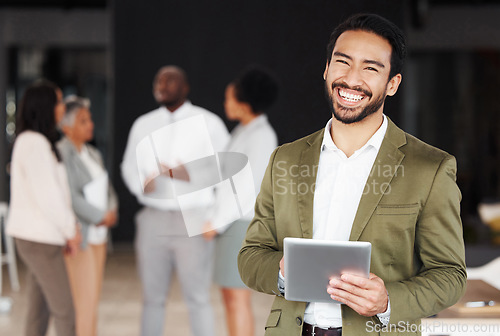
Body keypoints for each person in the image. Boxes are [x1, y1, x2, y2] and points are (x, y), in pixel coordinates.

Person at [238, 13, 466, 336]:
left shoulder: (430, 169)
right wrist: (281, 271)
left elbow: (450, 275)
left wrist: (387, 300)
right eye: (342, 62)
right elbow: (250, 256)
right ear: (327, 69)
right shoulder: (284, 159)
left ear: (393, 84)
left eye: (370, 68)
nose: (351, 79)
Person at [121, 65, 229, 336]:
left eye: (169, 81)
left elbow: (226, 170)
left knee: (198, 298)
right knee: (152, 298)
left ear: (185, 87)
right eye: (158, 81)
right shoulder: (143, 124)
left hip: (193, 216)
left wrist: (214, 217)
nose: (161, 85)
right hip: (153, 217)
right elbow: (128, 167)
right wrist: (143, 185)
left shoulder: (209, 123)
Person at [203, 66, 279, 336]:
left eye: (229, 98)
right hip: (231, 223)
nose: (226, 103)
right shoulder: (243, 132)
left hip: (240, 225)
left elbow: (245, 188)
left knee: (237, 298)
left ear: (245, 102)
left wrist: (216, 222)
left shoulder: (261, 136)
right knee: (230, 297)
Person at [6, 80, 80, 336]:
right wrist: (70, 230)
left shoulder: (37, 142)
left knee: (39, 313)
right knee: (65, 312)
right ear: (46, 106)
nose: (62, 108)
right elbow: (49, 196)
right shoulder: (34, 143)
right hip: (39, 240)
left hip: (41, 238)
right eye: (59, 102)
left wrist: (66, 231)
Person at [57, 95, 119, 336]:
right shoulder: (62, 153)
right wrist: (99, 215)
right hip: (80, 235)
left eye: (90, 119)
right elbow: (70, 196)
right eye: (83, 121)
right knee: (82, 304)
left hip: (99, 237)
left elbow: (107, 188)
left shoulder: (93, 153)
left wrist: (110, 211)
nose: (90, 124)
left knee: (91, 303)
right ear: (67, 127)